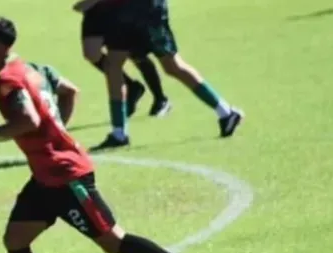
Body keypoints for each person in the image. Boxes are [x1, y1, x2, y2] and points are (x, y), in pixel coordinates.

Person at [0, 17, 214, 253]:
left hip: (66, 177)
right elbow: (69, 91)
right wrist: (57, 133)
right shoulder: (35, 70)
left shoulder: (7, 80)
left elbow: (29, 119)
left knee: (113, 242)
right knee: (15, 239)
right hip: (46, 177)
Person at [80, 0, 244, 150]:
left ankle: (227, 112)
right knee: (114, 64)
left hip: (147, 10)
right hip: (123, 11)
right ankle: (119, 133)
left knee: (172, 66)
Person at [75, 0, 171, 117]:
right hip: (95, 12)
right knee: (92, 53)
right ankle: (132, 87)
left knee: (135, 53)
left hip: (122, 9)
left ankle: (160, 98)